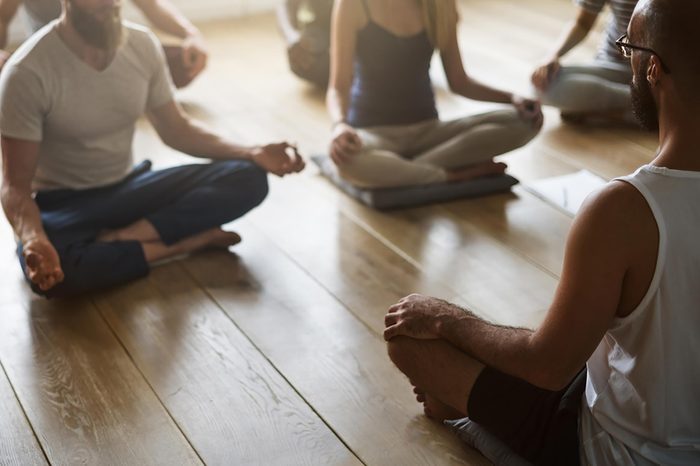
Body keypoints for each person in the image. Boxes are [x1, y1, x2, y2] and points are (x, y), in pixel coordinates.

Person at [384, 0, 700, 464]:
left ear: (652, 69)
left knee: (408, 335)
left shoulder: (624, 209)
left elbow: (546, 365)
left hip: (618, 450)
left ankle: (482, 426)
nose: (625, 58)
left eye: (628, 48)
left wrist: (444, 318)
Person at [0, 0, 305, 299]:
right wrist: (33, 238)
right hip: (65, 205)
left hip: (129, 185)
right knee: (54, 275)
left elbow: (177, 129)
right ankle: (186, 242)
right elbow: (14, 186)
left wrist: (251, 151)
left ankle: (121, 240)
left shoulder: (142, 45)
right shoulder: (26, 73)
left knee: (248, 176)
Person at [326, 0, 542, 190]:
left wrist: (512, 98)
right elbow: (338, 87)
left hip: (429, 134)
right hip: (373, 134)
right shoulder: (352, 3)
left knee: (524, 122)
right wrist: (340, 125)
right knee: (347, 161)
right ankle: (454, 174)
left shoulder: (441, 4)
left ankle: (403, 171)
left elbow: (459, 82)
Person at [0, 0, 208, 87]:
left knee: (184, 61)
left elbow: (151, 5)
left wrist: (192, 35)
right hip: (54, 61)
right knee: (11, 76)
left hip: (109, 49)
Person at [531, 0, 638, 125]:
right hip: (612, 63)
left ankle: (624, 112)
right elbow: (582, 23)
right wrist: (553, 56)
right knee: (542, 85)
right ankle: (648, 106)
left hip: (656, 74)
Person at [276, 0, 332, 88]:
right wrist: (291, 36)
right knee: (301, 60)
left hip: (358, 33)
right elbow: (286, 4)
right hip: (325, 30)